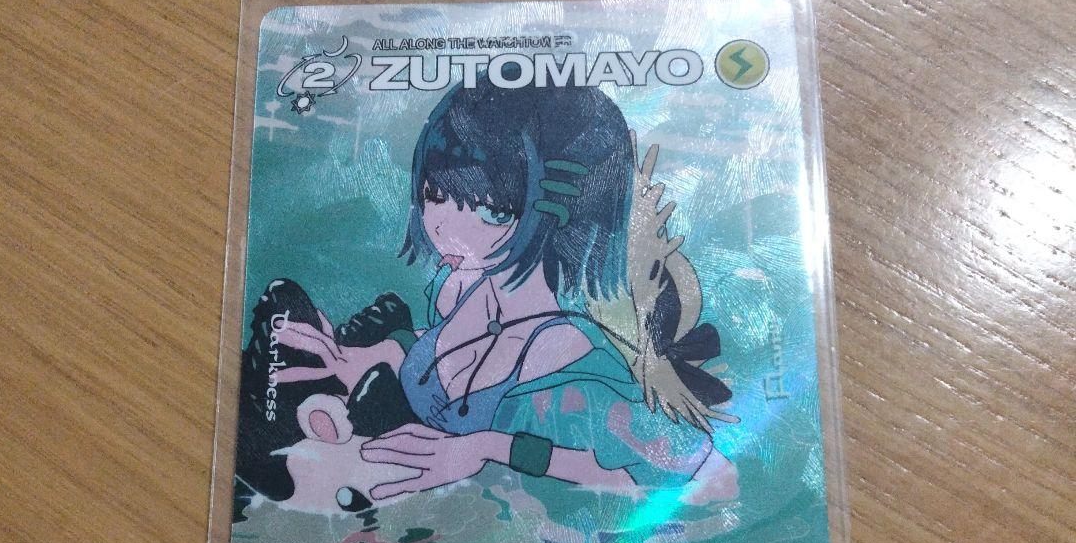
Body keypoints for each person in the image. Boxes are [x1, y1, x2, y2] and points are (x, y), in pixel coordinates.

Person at [243, 76, 737, 512]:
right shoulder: (459, 289)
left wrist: (489, 449)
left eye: (492, 211)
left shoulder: (564, 356)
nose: (442, 226)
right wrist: (363, 356)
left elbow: (712, 481)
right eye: (436, 195)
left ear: (557, 216)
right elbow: (438, 348)